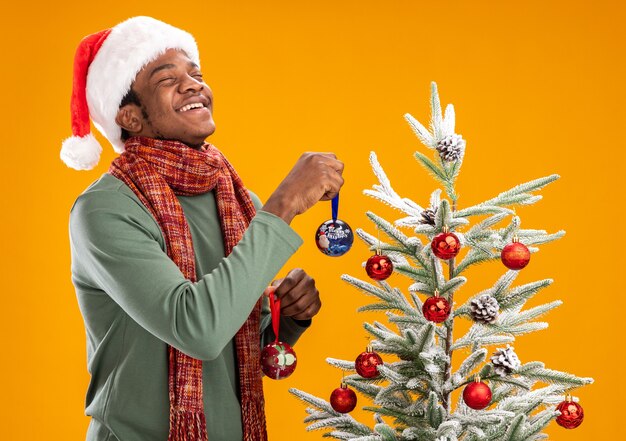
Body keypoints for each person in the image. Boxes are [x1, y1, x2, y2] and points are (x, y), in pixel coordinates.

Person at [61, 16, 344, 441]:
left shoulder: (235, 198)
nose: (193, 84)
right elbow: (197, 329)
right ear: (131, 117)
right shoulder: (105, 208)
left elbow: (238, 337)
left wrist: (285, 322)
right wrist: (283, 206)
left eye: (195, 74)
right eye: (168, 79)